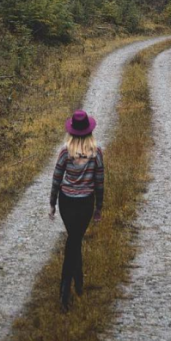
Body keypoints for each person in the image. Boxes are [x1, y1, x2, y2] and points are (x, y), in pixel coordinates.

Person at [49, 109, 104, 312]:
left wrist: (53, 203)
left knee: (73, 239)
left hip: (67, 201)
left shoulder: (65, 151)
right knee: (75, 238)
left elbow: (57, 177)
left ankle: (76, 282)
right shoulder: (96, 153)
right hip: (85, 203)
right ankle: (66, 287)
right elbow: (99, 182)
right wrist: (98, 207)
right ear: (89, 131)